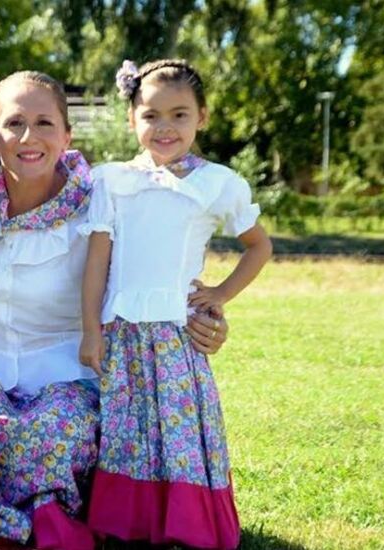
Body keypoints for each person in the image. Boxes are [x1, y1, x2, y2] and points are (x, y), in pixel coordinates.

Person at [0, 70, 231, 550]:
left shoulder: (102, 205)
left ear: (67, 136)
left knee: (53, 432)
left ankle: (45, 522)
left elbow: (158, 276)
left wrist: (208, 319)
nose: (29, 137)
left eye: (45, 123)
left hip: (68, 373)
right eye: (14, 124)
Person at [79, 59, 273, 549]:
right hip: (121, 332)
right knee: (129, 431)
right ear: (132, 120)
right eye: (151, 115)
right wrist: (90, 329)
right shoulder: (111, 181)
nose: (164, 127)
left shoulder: (217, 183)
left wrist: (220, 293)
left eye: (179, 115)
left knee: (180, 432)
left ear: (202, 117)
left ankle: (187, 522)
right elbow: (97, 260)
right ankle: (131, 521)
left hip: (176, 335)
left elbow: (259, 246)